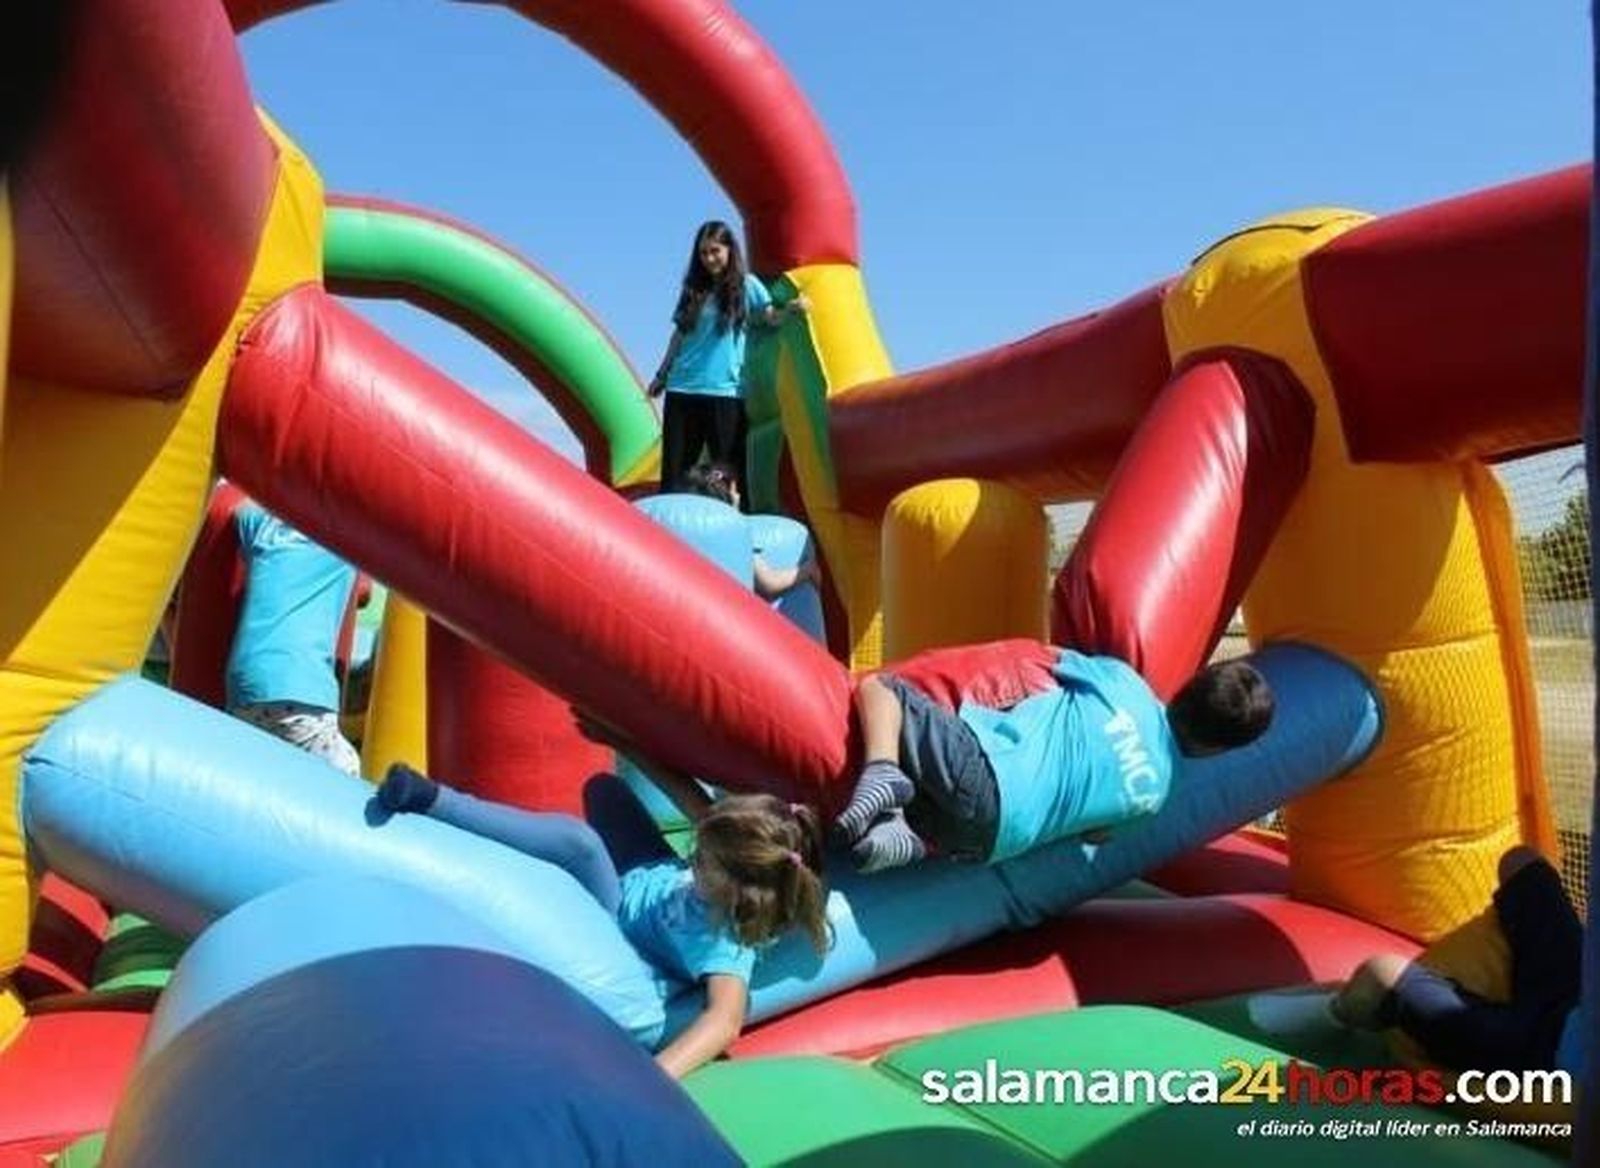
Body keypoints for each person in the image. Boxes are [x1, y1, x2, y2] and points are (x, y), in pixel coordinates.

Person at [374, 728, 829, 1080]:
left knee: (580, 844)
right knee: (603, 788)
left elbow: (724, 1022)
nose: (694, 857)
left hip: (622, 916)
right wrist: (623, 740)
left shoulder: (725, 943)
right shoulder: (730, 859)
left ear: (739, 887)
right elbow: (684, 794)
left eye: (702, 860)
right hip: (645, 871)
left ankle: (433, 800)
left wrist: (651, 1078)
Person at [831, 651, 1275, 873]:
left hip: (986, 770)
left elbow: (1043, 658)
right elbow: (1097, 833)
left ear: (1190, 684)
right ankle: (906, 832)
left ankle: (883, 772)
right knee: (945, 813)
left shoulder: (1123, 683)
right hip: (991, 844)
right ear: (1218, 750)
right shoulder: (1155, 798)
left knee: (881, 689)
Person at [1303, 846, 1584, 1078]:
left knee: (1381, 975)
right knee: (1522, 863)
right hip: (1574, 1002)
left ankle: (1313, 1025)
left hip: (1540, 1054)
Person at [647, 221, 809, 505]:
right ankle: (668, 540)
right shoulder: (693, 289)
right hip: (683, 390)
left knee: (727, 476)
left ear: (729, 250)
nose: (709, 259)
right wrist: (662, 374)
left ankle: (732, 536)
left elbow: (768, 316)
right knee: (674, 476)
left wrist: (791, 310)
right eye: (703, 253)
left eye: (715, 251)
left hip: (725, 393)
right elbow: (680, 335)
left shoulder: (747, 286)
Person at [225, 501, 360, 776]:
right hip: (300, 687)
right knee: (346, 778)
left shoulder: (264, 528)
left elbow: (236, 509)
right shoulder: (345, 535)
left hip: (245, 687)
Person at [681, 462, 822, 599]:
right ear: (729, 497)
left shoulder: (684, 532)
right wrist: (806, 570)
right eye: (735, 491)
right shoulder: (732, 534)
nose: (738, 496)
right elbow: (768, 583)